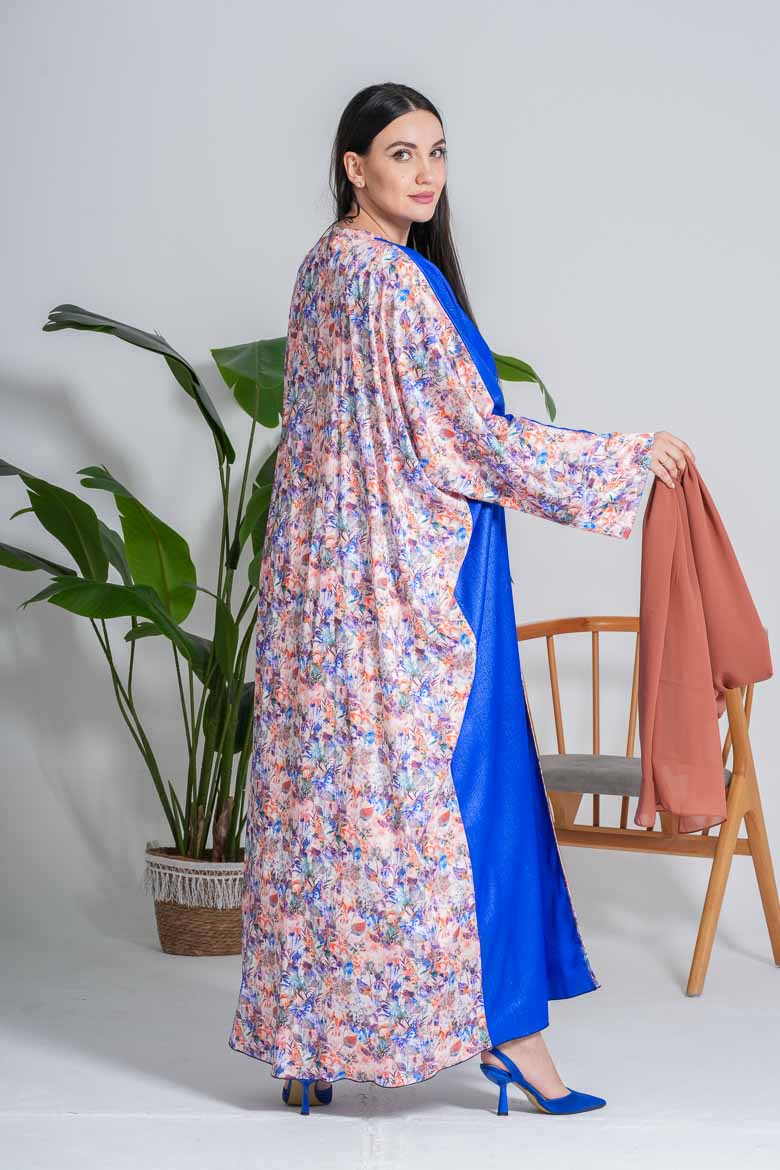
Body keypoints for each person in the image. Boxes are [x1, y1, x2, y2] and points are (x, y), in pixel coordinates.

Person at [227, 82, 695, 1117]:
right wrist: (626, 459)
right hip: (408, 594)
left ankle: (309, 1043)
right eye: (402, 153)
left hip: (317, 602)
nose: (427, 173)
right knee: (459, 805)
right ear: (354, 167)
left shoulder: (319, 270)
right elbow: (472, 440)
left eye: (437, 152)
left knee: (329, 815)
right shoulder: (397, 283)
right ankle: (513, 1037)